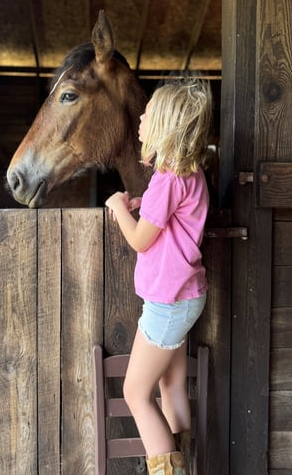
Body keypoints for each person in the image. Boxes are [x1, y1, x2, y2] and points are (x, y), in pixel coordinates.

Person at [104, 78, 212, 475]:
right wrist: (142, 206)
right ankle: (188, 462)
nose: (141, 117)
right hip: (186, 298)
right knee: (170, 387)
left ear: (164, 125)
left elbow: (139, 240)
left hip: (167, 304)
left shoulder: (165, 180)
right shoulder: (191, 174)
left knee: (135, 393)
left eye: (148, 112)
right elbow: (165, 220)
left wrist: (119, 206)